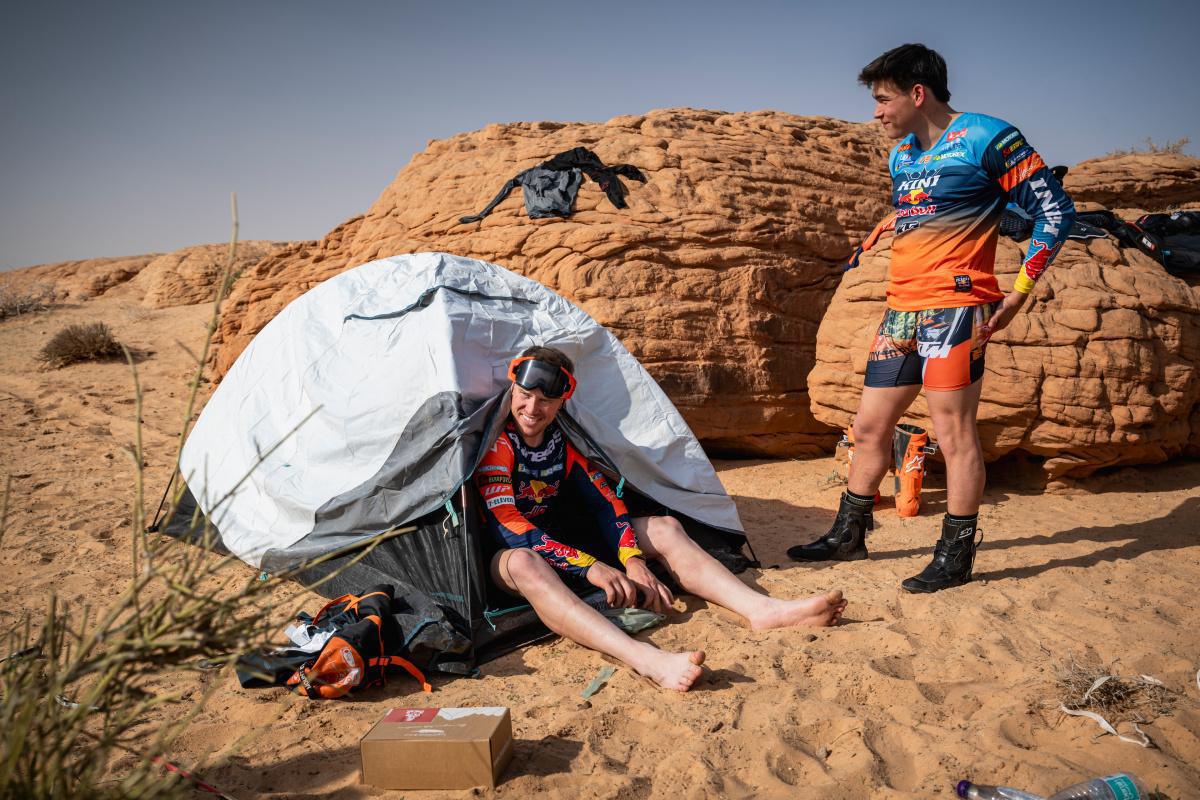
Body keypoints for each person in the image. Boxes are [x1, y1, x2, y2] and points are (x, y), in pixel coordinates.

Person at [788, 44, 1075, 592]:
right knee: (870, 427)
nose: (876, 112)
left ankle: (956, 555)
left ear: (917, 94)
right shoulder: (902, 157)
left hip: (957, 310)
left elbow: (1056, 211)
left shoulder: (988, 137)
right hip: (900, 312)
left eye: (882, 99)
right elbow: (927, 209)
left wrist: (1018, 291)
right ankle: (849, 534)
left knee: (952, 434)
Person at [477, 346, 847, 691]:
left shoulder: (564, 440)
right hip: (507, 560)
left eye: (546, 400)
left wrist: (631, 559)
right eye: (525, 395)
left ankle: (762, 610)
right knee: (525, 562)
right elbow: (509, 526)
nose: (532, 407)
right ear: (512, 388)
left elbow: (607, 501)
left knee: (666, 527)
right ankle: (646, 659)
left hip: (565, 544)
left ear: (562, 402)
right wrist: (591, 567)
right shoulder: (499, 443)